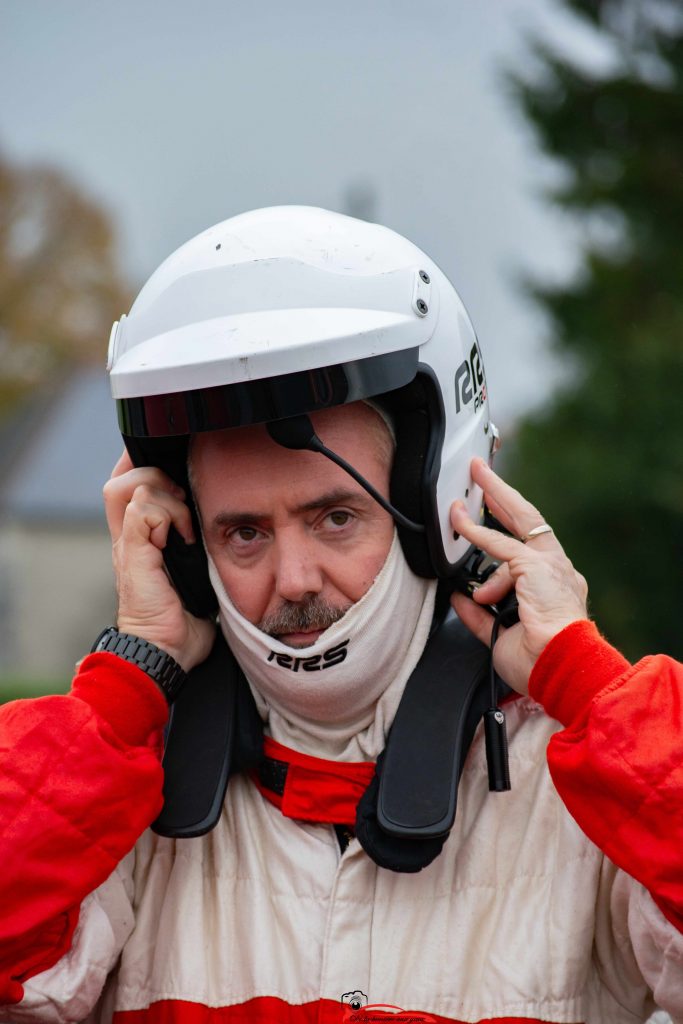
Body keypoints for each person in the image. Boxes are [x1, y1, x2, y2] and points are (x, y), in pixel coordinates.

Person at [0, 207, 681, 1024]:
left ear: (434, 506)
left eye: (334, 518)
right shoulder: (118, 797)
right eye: (243, 533)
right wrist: (125, 684)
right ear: (186, 547)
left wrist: (587, 682)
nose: (292, 580)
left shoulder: (578, 783)